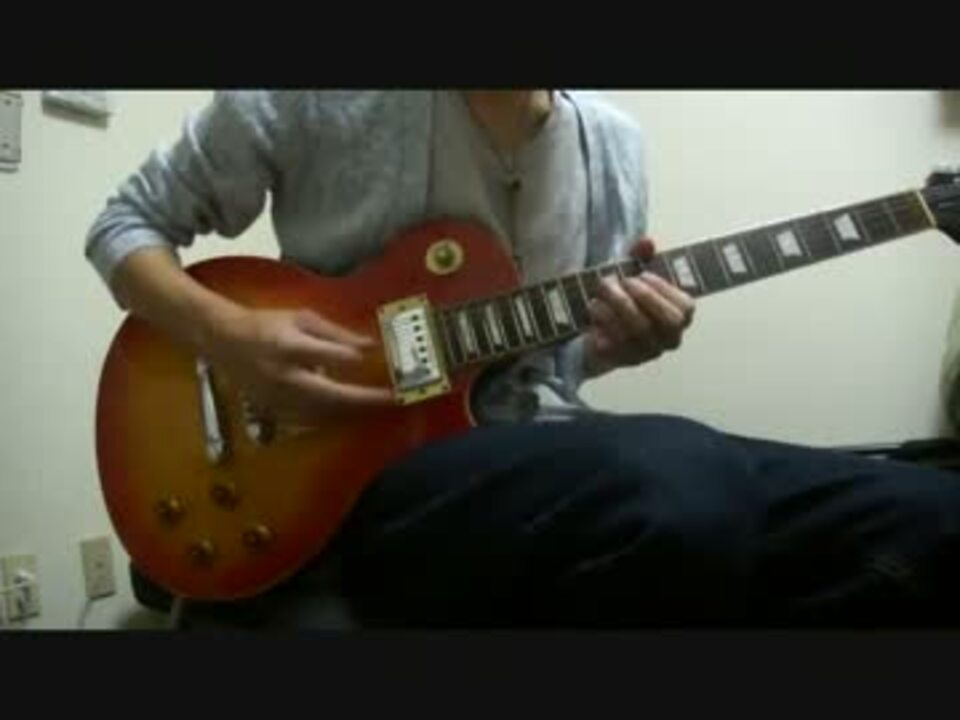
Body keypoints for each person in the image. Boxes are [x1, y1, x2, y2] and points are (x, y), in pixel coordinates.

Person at [86, 90, 960, 628]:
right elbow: (123, 226)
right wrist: (230, 336)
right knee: (679, 477)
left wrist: (612, 346)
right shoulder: (319, 94)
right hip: (361, 479)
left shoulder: (613, 144)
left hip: (538, 468)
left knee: (927, 514)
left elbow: (551, 372)